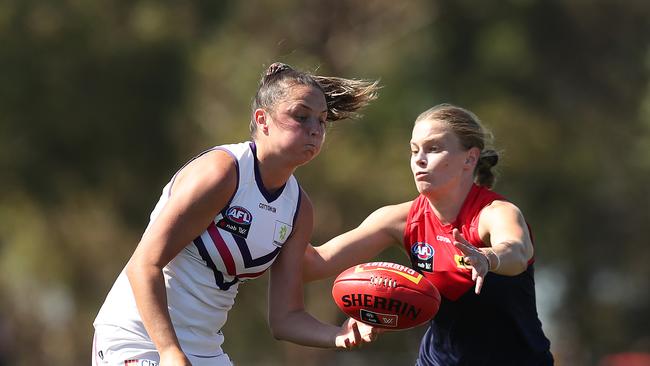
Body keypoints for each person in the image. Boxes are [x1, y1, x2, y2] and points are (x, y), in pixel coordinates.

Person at [92, 62, 381, 366]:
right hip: (139, 338)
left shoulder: (298, 209)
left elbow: (286, 318)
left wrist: (339, 335)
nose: (315, 129)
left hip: (203, 349)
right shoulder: (222, 174)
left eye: (322, 121)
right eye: (301, 116)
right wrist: (168, 351)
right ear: (263, 120)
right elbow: (143, 265)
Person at [304, 103, 554, 365]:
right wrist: (274, 217)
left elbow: (516, 250)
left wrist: (489, 258)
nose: (419, 159)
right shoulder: (398, 219)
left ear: (470, 158)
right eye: (414, 150)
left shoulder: (495, 213)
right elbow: (314, 263)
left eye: (433, 148)